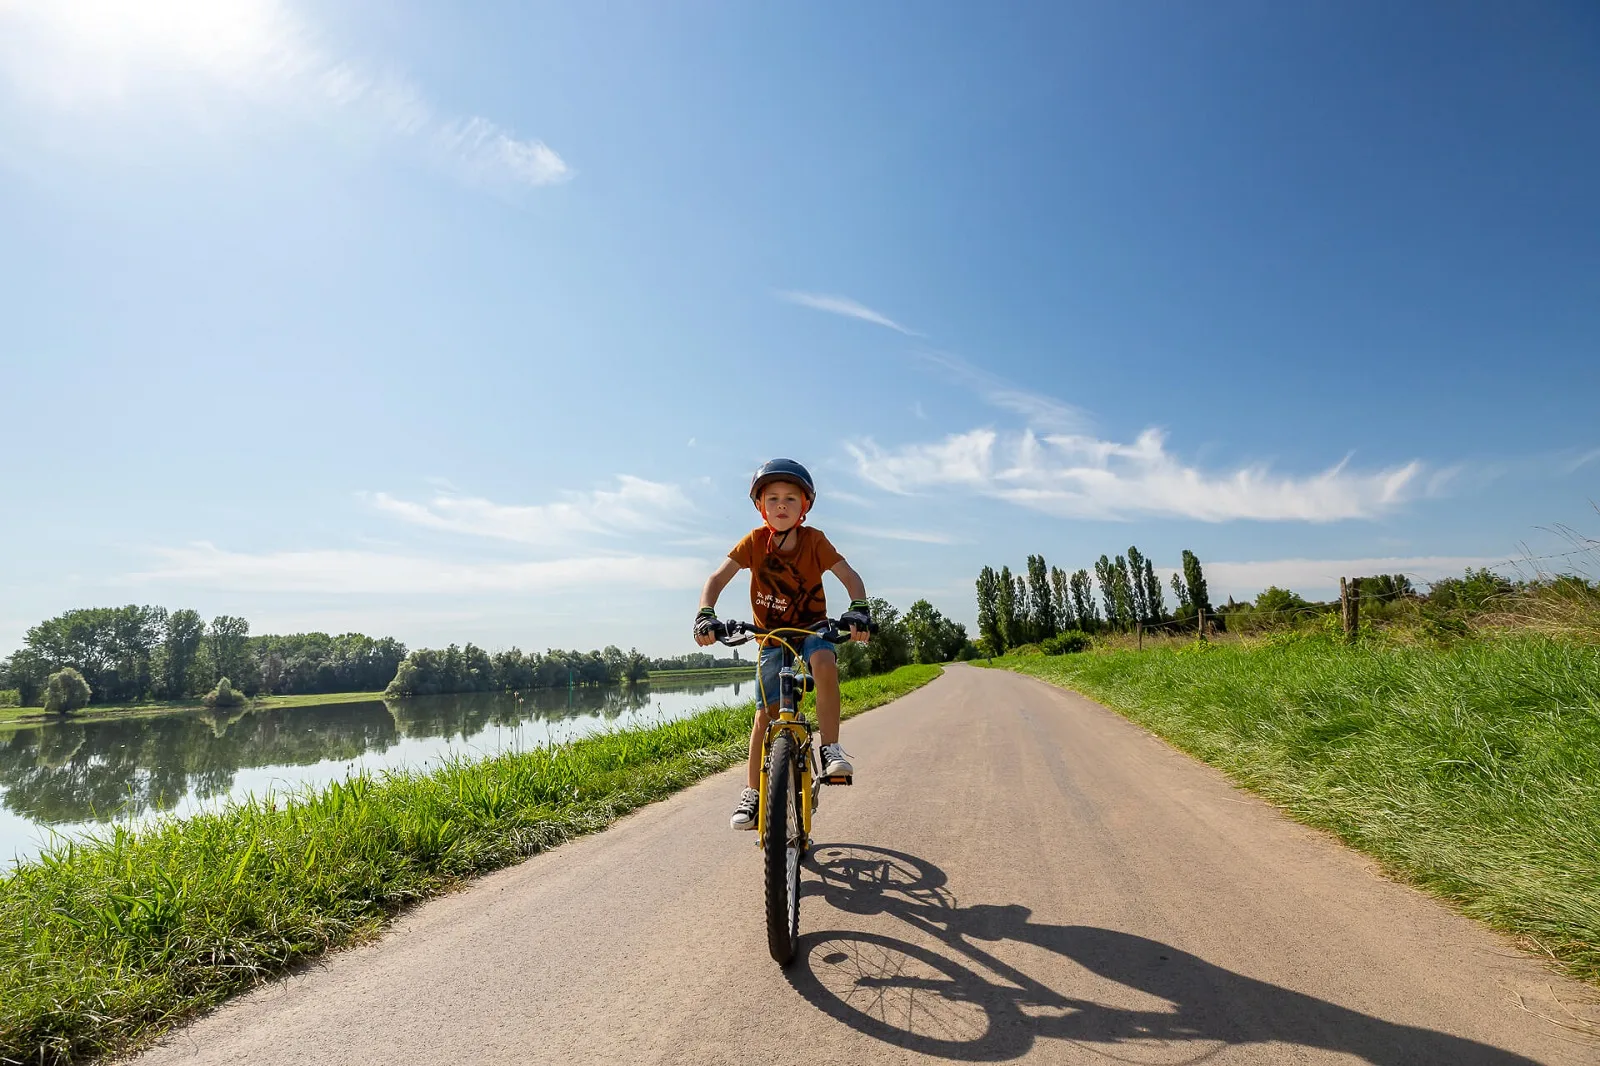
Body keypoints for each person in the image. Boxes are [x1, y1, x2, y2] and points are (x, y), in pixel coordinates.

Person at [693, 458, 872, 830]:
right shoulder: (755, 542)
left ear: (804, 506)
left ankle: (831, 748)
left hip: (811, 629)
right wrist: (705, 614)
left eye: (791, 498)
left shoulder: (814, 541)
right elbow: (716, 578)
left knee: (825, 663)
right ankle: (753, 793)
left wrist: (859, 610)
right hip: (770, 638)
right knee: (764, 717)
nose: (781, 505)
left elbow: (850, 577)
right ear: (761, 506)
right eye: (772, 498)